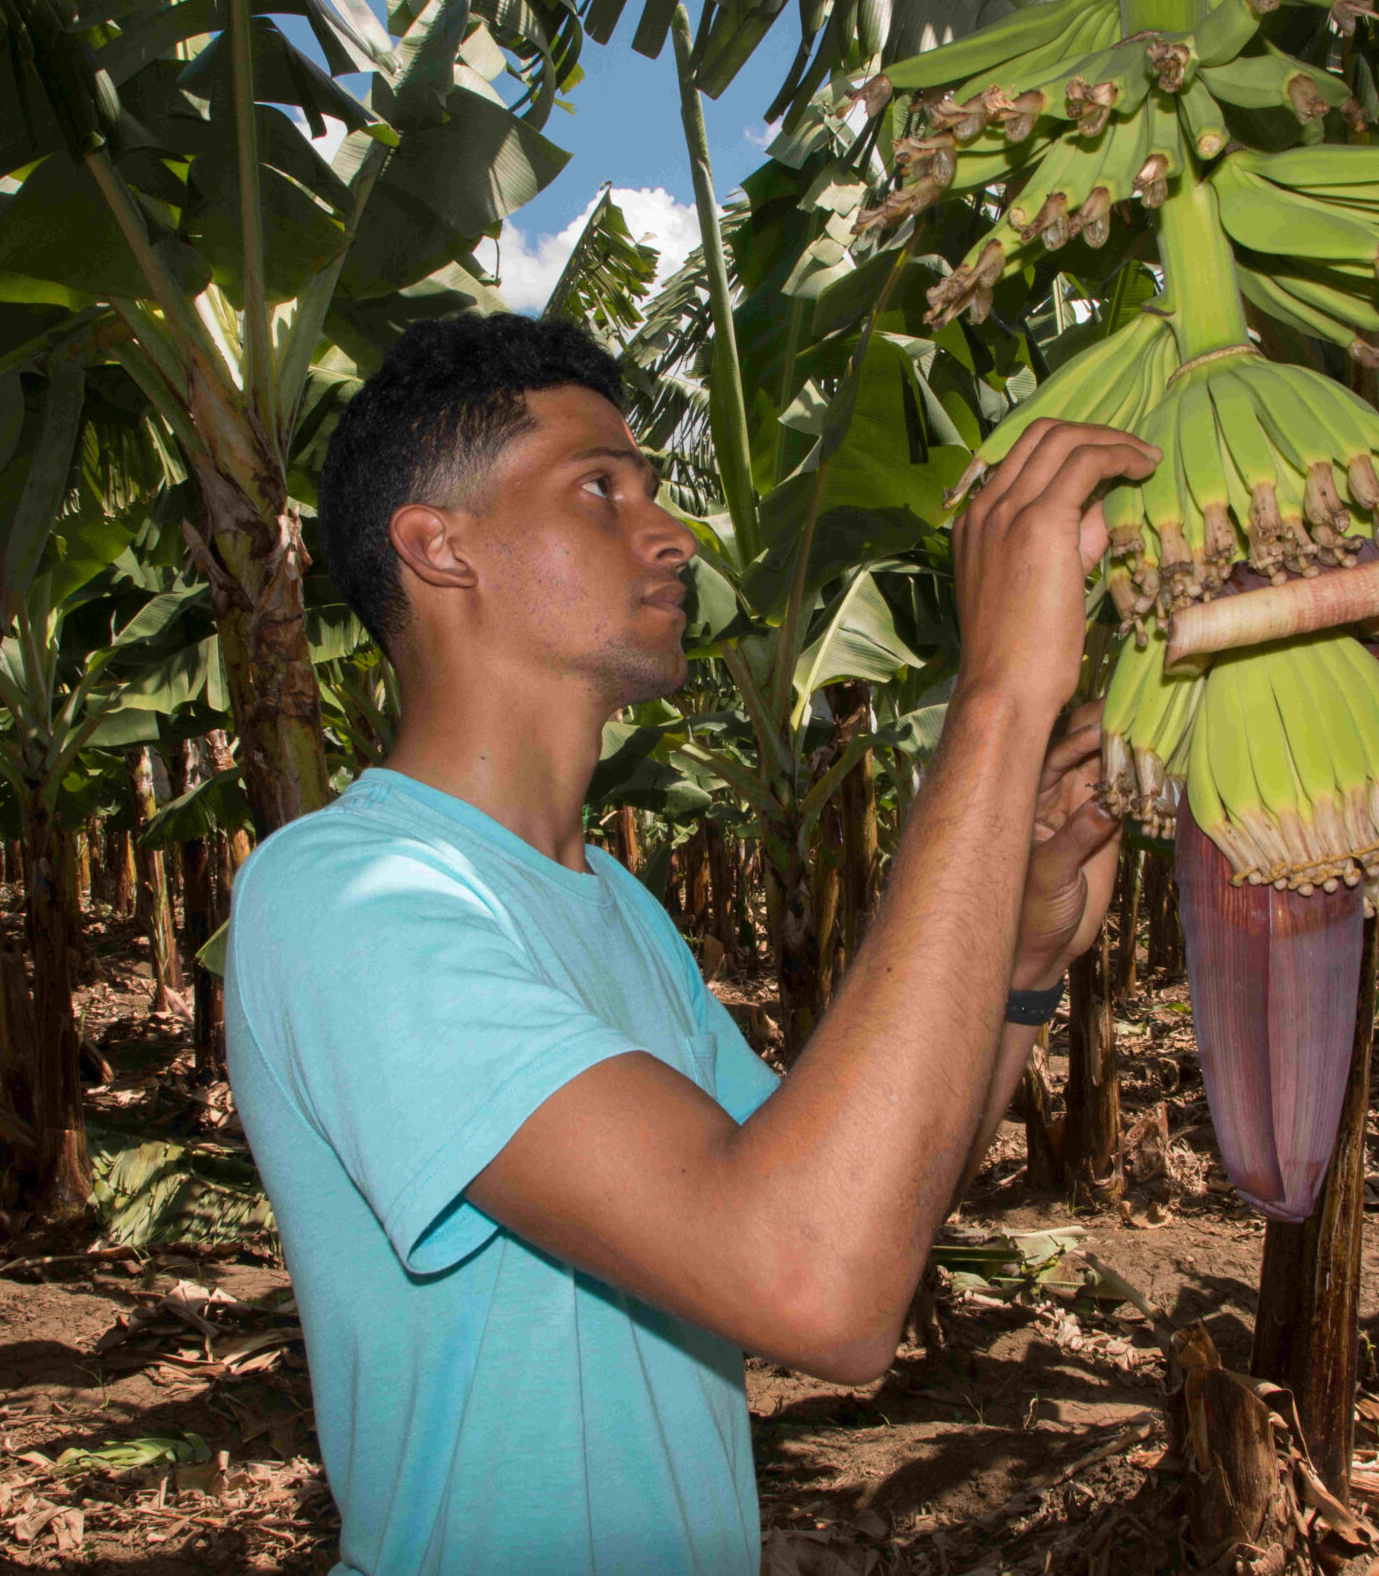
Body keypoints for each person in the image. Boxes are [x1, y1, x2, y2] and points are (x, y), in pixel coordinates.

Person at [226, 313, 1158, 1576]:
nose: (668, 534)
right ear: (438, 548)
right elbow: (811, 1286)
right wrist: (997, 699)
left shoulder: (612, 904)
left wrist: (1021, 969)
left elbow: (858, 1218)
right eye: (599, 489)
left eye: (653, 491)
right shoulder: (346, 897)